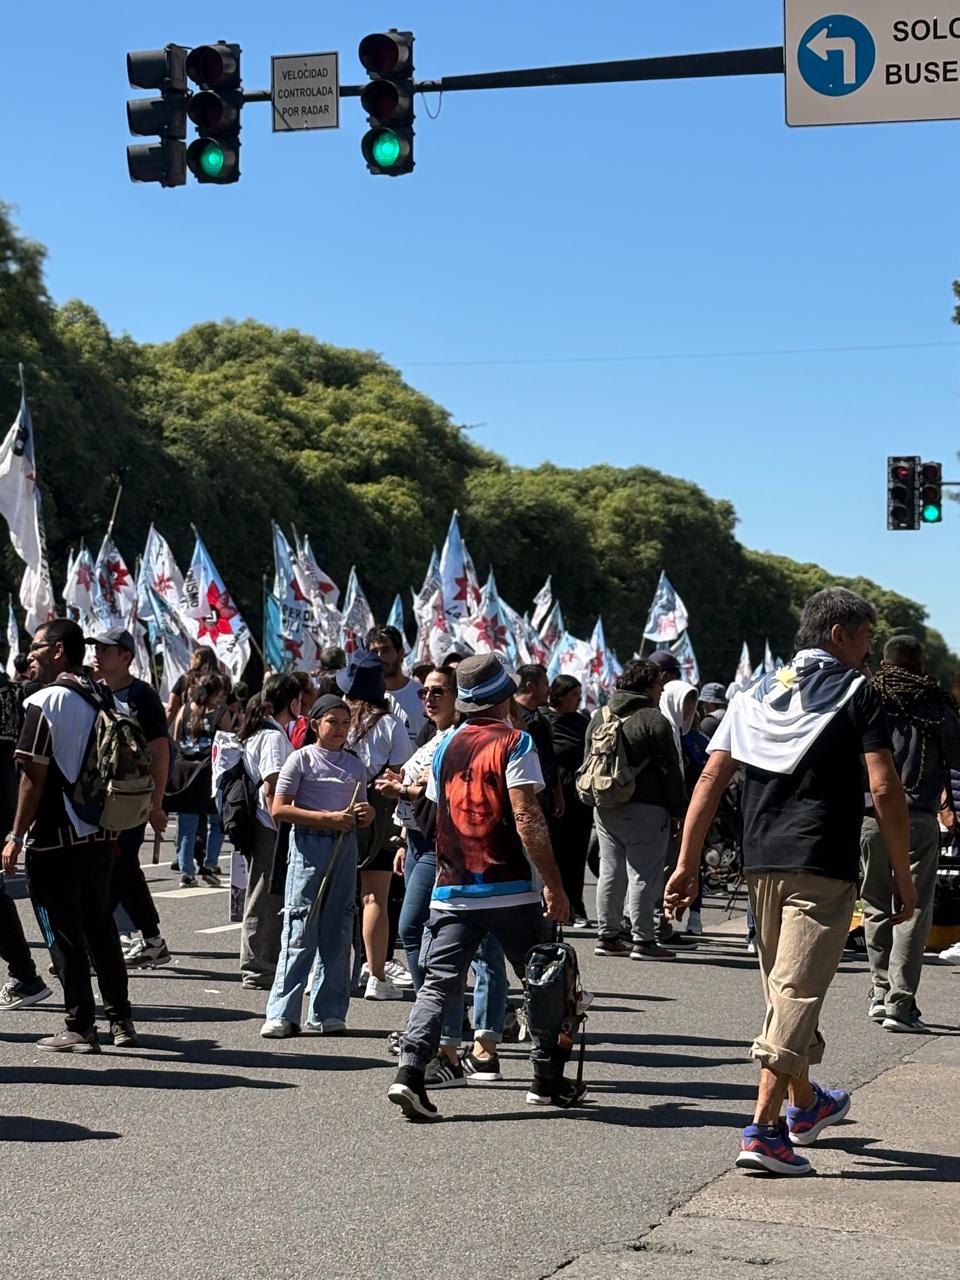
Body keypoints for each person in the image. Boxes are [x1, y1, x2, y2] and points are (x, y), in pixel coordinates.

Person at [666, 587, 917, 1176]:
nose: (869, 649)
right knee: (797, 994)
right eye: (865, 637)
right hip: (822, 863)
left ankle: (807, 1103)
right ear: (838, 635)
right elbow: (884, 787)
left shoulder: (755, 691)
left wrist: (686, 862)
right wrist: (901, 874)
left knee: (785, 992)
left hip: (760, 862)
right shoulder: (859, 692)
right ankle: (764, 1130)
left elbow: (711, 778)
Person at [388, 654, 581, 1122]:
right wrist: (555, 885)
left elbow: (438, 811)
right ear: (504, 697)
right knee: (544, 982)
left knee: (438, 984)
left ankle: (410, 1072)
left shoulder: (446, 746)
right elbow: (526, 816)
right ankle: (545, 1079)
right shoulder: (516, 741)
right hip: (510, 888)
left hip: (452, 888)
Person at [2, 618, 137, 1052]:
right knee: (101, 929)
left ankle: (80, 1026)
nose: (30, 655)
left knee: (63, 935)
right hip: (100, 831)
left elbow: (32, 777)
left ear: (58, 650)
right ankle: (121, 1020)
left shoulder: (45, 701)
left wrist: (15, 835)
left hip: (55, 837)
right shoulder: (102, 694)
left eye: (37, 647)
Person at [380, 666, 509, 1084]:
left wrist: (403, 790)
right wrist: (403, 836)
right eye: (425, 692)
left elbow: (442, 793)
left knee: (481, 945)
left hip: (456, 847)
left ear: (460, 697)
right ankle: (439, 1028)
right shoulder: (431, 736)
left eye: (439, 691)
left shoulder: (467, 738)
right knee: (417, 932)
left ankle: (478, 1046)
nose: (429, 698)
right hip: (420, 842)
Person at [860, 635, 960, 1032]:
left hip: (871, 815)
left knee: (875, 903)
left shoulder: (866, 698)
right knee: (914, 908)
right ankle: (900, 1003)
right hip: (918, 817)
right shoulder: (937, 705)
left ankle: (879, 991)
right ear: (919, 663)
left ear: (884, 662)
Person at [260, 695, 374, 1037]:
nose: (340, 729)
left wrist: (366, 814)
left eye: (345, 723)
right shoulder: (300, 759)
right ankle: (281, 1013)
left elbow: (363, 808)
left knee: (338, 928)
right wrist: (326, 819)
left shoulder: (356, 765)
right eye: (332, 722)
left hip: (345, 846)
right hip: (308, 845)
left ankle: (329, 1012)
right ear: (314, 724)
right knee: (300, 926)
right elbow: (279, 809)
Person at [586, 659, 688, 961]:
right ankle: (644, 940)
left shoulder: (600, 714)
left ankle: (608, 936)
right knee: (644, 874)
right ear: (647, 686)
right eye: (658, 685)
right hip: (647, 808)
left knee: (610, 872)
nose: (662, 691)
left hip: (605, 805)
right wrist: (680, 810)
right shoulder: (653, 719)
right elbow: (670, 771)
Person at [88, 627, 171, 968]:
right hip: (102, 797)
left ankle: (142, 940)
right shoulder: (94, 691)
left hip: (132, 797)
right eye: (96, 649)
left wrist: (156, 804)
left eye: (106, 650)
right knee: (114, 868)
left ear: (126, 657)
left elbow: (160, 751)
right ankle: (142, 939)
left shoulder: (142, 695)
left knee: (120, 866)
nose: (97, 655)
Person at [338, 650, 413, 999]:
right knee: (374, 898)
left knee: (336, 898)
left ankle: (330, 972)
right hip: (378, 813)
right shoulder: (390, 724)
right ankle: (376, 975)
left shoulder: (335, 720)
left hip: (336, 808)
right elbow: (400, 771)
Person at [237, 673, 300, 990]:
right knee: (264, 897)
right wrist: (282, 825)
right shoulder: (272, 737)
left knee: (266, 895)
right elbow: (271, 785)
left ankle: (263, 964)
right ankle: (258, 967)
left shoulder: (264, 731)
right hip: (269, 827)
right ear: (293, 702)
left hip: (264, 825)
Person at [170, 671, 232, 886]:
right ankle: (209, 865)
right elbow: (227, 743)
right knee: (216, 822)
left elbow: (176, 737)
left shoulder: (185, 709)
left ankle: (186, 872)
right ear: (218, 692)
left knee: (187, 825)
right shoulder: (220, 712)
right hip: (208, 771)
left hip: (184, 771)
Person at [544, 675, 592, 927]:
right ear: (560, 695)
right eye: (574, 695)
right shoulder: (544, 721)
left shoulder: (581, 722)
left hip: (578, 799)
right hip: (553, 796)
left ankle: (575, 905)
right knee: (554, 853)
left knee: (576, 854)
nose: (578, 700)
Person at [657, 678, 703, 942]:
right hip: (666, 814)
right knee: (662, 871)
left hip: (679, 813)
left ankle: (663, 924)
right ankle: (657, 927)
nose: (688, 711)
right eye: (685, 704)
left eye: (691, 705)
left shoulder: (682, 735)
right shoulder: (663, 729)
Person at [514, 663, 564, 819]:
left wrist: (558, 793)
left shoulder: (542, 720)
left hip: (545, 800)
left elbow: (550, 759)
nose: (549, 690)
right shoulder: (512, 719)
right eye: (545, 684)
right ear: (530, 686)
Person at [367, 625, 425, 745]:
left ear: (401, 653)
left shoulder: (423, 696)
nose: (379, 656)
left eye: (385, 650)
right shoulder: (359, 698)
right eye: (374, 652)